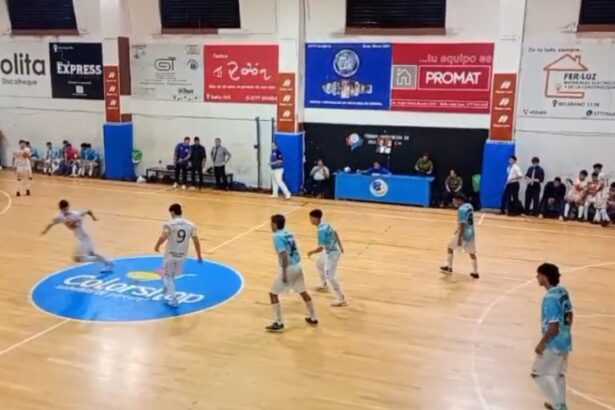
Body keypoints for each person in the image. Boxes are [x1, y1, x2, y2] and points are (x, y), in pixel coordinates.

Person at [266, 214, 318, 332]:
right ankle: (313, 317)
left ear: (274, 224)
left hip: (289, 267)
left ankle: (278, 322)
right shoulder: (289, 232)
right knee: (302, 291)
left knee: (273, 294)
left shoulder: (277, 236)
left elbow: (283, 254)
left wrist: (284, 272)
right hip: (297, 265)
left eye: (271, 224)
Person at [532, 263, 573, 410]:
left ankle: (557, 404)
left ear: (544, 277)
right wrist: (566, 331)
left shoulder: (549, 298)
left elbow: (553, 327)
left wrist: (541, 344)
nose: (537, 278)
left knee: (538, 374)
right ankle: (560, 404)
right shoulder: (563, 291)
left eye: (538, 275)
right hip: (565, 340)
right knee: (558, 374)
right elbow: (570, 314)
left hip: (553, 343)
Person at [41, 200, 113, 272]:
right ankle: (108, 263)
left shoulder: (75, 214)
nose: (65, 211)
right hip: (80, 238)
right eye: (63, 210)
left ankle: (103, 261)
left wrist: (94, 218)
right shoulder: (60, 216)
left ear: (68, 207)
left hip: (84, 237)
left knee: (78, 258)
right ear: (61, 209)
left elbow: (88, 211)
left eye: (66, 209)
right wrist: (45, 230)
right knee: (91, 253)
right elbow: (51, 223)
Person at [154, 203, 202, 307]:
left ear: (172, 212)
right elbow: (196, 240)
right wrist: (199, 254)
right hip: (182, 254)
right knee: (172, 275)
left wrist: (157, 245)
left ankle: (174, 299)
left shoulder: (169, 224)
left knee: (167, 276)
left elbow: (163, 237)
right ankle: (167, 288)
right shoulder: (191, 225)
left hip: (170, 254)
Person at [307, 209, 346, 306]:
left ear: (315, 218)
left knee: (331, 277)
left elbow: (320, 248)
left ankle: (341, 299)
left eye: (310, 218)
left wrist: (311, 252)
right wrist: (340, 246)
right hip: (331, 249)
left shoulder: (321, 230)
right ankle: (324, 285)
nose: (310, 220)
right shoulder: (326, 224)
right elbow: (335, 233)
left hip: (332, 253)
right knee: (319, 264)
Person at [440, 193, 479, 279]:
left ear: (459, 200)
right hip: (471, 232)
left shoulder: (461, 209)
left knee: (450, 247)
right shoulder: (469, 206)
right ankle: (475, 272)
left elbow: (462, 223)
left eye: (454, 201)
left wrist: (460, 237)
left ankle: (449, 267)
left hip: (464, 233)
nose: (453, 203)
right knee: (471, 252)